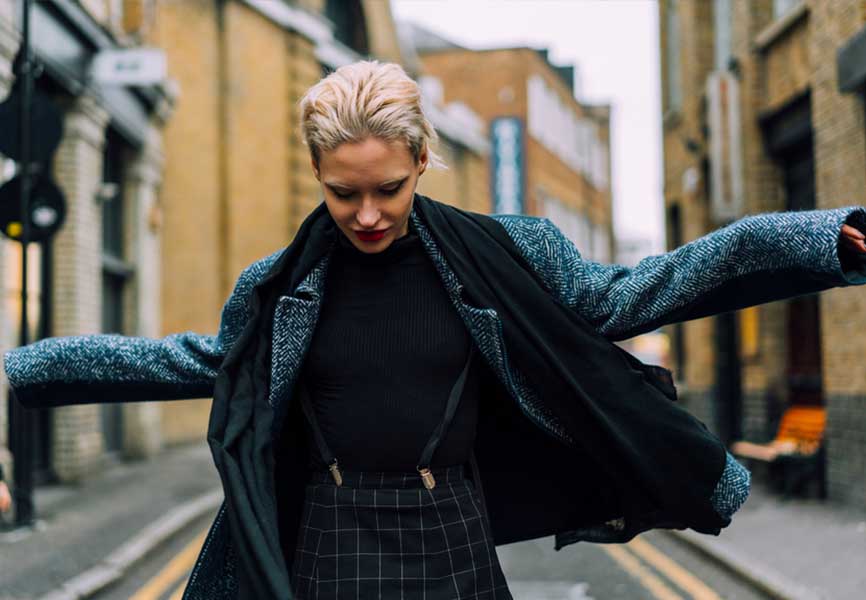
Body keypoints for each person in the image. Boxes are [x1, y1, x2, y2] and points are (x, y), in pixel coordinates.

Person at [4, 60, 866, 600]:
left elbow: (644, 289)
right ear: (316, 173)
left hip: (450, 525)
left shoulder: (508, 253)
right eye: (344, 193)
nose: (369, 214)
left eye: (388, 187)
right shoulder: (278, 291)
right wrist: (18, 368)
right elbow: (175, 361)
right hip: (328, 540)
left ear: (421, 159)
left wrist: (811, 239)